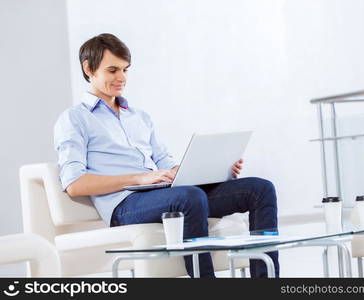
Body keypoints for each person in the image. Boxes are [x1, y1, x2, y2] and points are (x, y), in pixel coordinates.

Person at [54, 33, 279, 278]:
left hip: (167, 196)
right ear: (89, 68)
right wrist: (138, 179)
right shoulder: (74, 119)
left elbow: (167, 166)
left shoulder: (140, 117)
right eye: (112, 70)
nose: (122, 78)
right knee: (189, 197)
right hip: (125, 204)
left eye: (125, 70)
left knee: (260, 189)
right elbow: (74, 184)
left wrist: (213, 169)